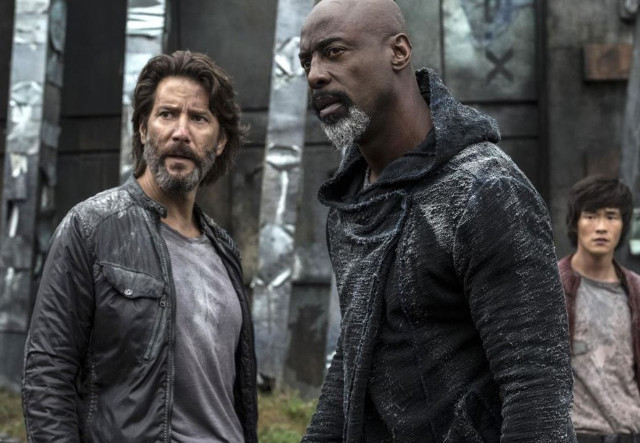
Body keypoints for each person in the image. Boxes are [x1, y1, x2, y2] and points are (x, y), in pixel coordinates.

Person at [298, 0, 576, 441]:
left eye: (334, 52)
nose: (315, 74)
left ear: (399, 52)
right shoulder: (350, 203)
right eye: (306, 61)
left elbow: (537, 388)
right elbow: (354, 360)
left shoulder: (485, 190)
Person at [22, 50, 257, 442]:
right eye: (167, 114)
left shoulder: (225, 251)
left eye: (199, 118)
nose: (181, 132)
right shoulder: (90, 228)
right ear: (144, 129)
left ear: (219, 142)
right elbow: (47, 376)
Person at [558, 175, 640, 442]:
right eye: (591, 216)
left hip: (630, 432)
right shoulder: (551, 286)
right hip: (576, 434)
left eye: (611, 216)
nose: (601, 227)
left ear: (623, 224)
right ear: (576, 222)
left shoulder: (636, 290)